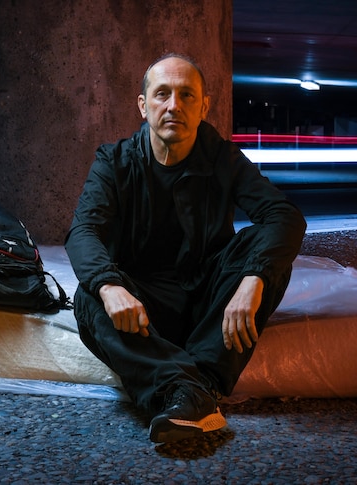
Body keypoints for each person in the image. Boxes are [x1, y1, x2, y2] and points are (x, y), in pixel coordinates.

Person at [65, 53, 306, 444]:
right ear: (144, 106)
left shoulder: (223, 157)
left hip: (208, 303)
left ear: (204, 105)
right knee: (89, 296)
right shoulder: (114, 162)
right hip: (143, 308)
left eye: (186, 95)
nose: (173, 106)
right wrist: (110, 286)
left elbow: (285, 216)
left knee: (268, 256)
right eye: (162, 94)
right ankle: (195, 391)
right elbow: (83, 232)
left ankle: (186, 389)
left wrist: (253, 279)